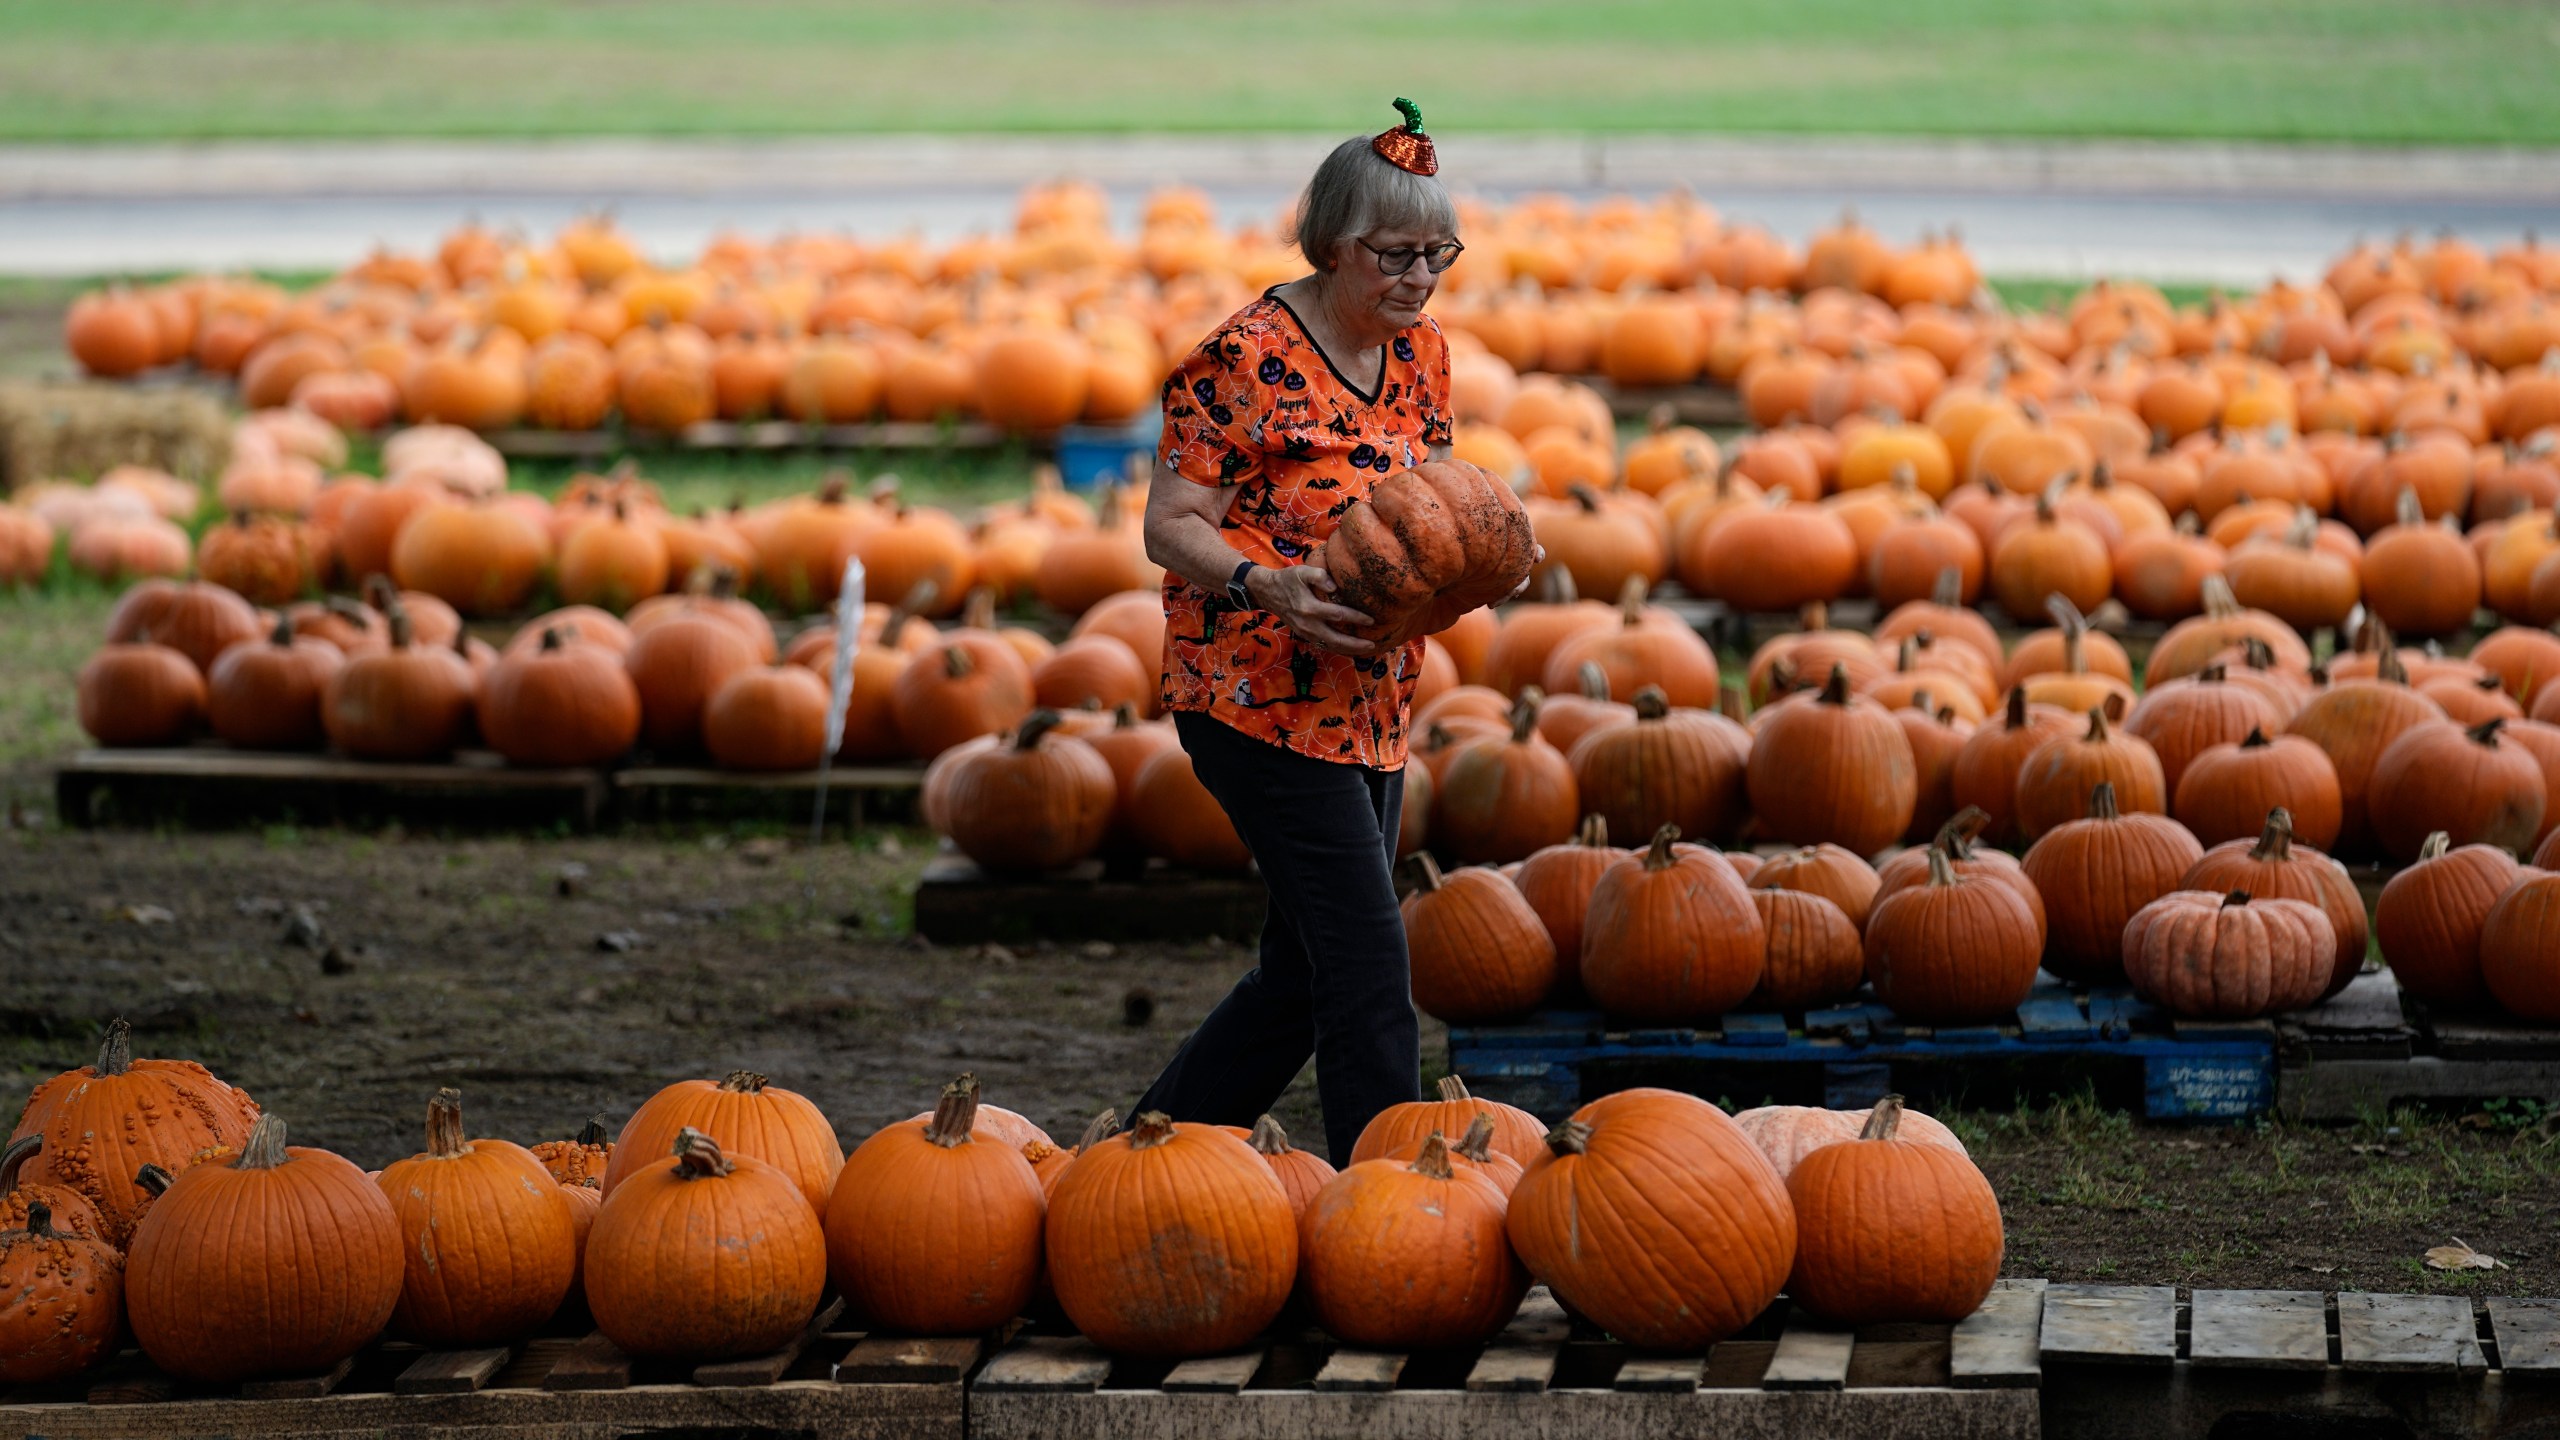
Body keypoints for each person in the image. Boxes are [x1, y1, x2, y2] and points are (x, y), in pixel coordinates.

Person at [1133, 100, 1532, 1164]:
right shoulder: (1240, 359)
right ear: (1331, 245)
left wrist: (1484, 559)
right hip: (1252, 695)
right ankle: (1397, 1198)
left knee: (1305, 971)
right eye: (1393, 254)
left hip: (1370, 698)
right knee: (1364, 962)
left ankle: (1154, 1148)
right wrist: (1268, 585)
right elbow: (1168, 529)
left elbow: (1428, 512)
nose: (1417, 277)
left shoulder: (1423, 355)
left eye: (1435, 254)